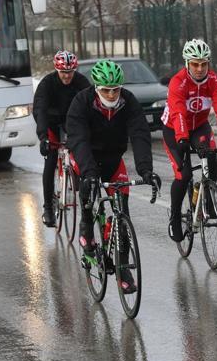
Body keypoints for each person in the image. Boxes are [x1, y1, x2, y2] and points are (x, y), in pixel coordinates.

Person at [66, 60, 160, 294]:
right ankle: (87, 231)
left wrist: (145, 170)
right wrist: (88, 172)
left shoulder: (128, 102)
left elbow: (139, 134)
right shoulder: (81, 102)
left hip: (113, 159)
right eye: (106, 89)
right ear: (97, 88)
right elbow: (78, 139)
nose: (111, 94)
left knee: (122, 213)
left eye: (115, 89)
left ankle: (123, 269)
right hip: (86, 157)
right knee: (89, 193)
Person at [162, 38, 217, 242]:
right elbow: (178, 112)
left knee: (212, 161)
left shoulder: (214, 82)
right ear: (187, 64)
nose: (199, 69)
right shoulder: (177, 82)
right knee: (184, 174)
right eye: (195, 64)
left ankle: (206, 202)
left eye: (203, 64)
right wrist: (181, 139)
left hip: (199, 126)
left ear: (208, 64)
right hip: (174, 129)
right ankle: (174, 217)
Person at [33, 50, 90, 227]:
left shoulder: (81, 82)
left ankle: (85, 201)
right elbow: (40, 110)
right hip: (51, 122)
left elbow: (90, 107)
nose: (67, 76)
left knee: (81, 155)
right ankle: (48, 207)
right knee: (50, 160)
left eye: (70, 72)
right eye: (63, 73)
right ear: (57, 70)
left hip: (72, 121)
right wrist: (43, 137)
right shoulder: (47, 84)